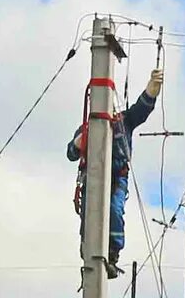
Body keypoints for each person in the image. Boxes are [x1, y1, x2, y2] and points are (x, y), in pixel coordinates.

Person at [67, 62, 163, 278]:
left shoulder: (124, 121)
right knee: (90, 214)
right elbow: (71, 153)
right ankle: (88, 248)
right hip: (93, 178)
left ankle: (112, 253)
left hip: (117, 177)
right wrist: (78, 142)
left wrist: (152, 89)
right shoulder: (87, 128)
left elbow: (142, 109)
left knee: (114, 209)